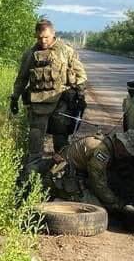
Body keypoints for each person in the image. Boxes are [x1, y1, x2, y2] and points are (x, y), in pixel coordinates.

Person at [11, 19, 88, 169]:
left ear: (53, 34)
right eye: (39, 37)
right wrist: (14, 97)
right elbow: (22, 78)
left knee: (61, 137)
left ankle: (61, 171)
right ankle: (33, 173)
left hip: (61, 102)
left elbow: (82, 75)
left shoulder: (66, 51)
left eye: (46, 37)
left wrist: (77, 91)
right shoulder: (31, 54)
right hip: (38, 103)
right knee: (35, 137)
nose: (43, 40)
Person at [47, 129, 134, 212]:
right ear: (120, 143)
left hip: (79, 174)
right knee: (100, 210)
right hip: (64, 178)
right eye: (127, 151)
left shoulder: (110, 145)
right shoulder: (101, 151)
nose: (126, 155)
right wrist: (116, 202)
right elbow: (97, 183)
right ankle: (59, 200)